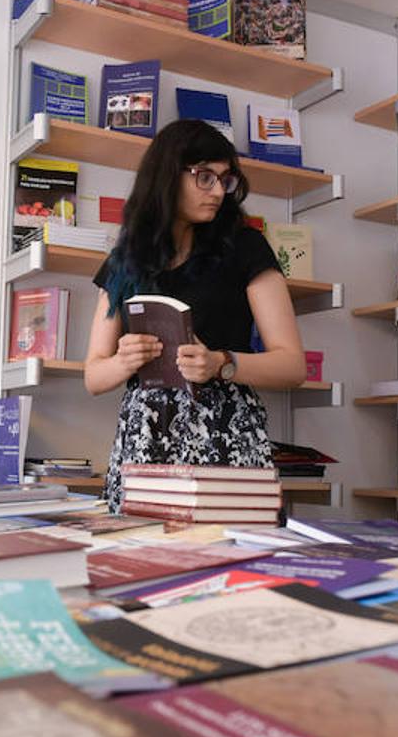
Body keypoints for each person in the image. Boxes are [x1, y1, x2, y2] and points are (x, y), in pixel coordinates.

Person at [85, 119, 306, 511]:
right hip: (146, 435)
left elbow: (292, 365)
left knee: (234, 555)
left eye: (225, 179)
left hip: (226, 429)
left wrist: (221, 363)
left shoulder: (245, 246)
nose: (219, 191)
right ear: (168, 175)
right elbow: (93, 376)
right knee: (143, 558)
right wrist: (124, 361)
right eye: (205, 177)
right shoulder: (127, 260)